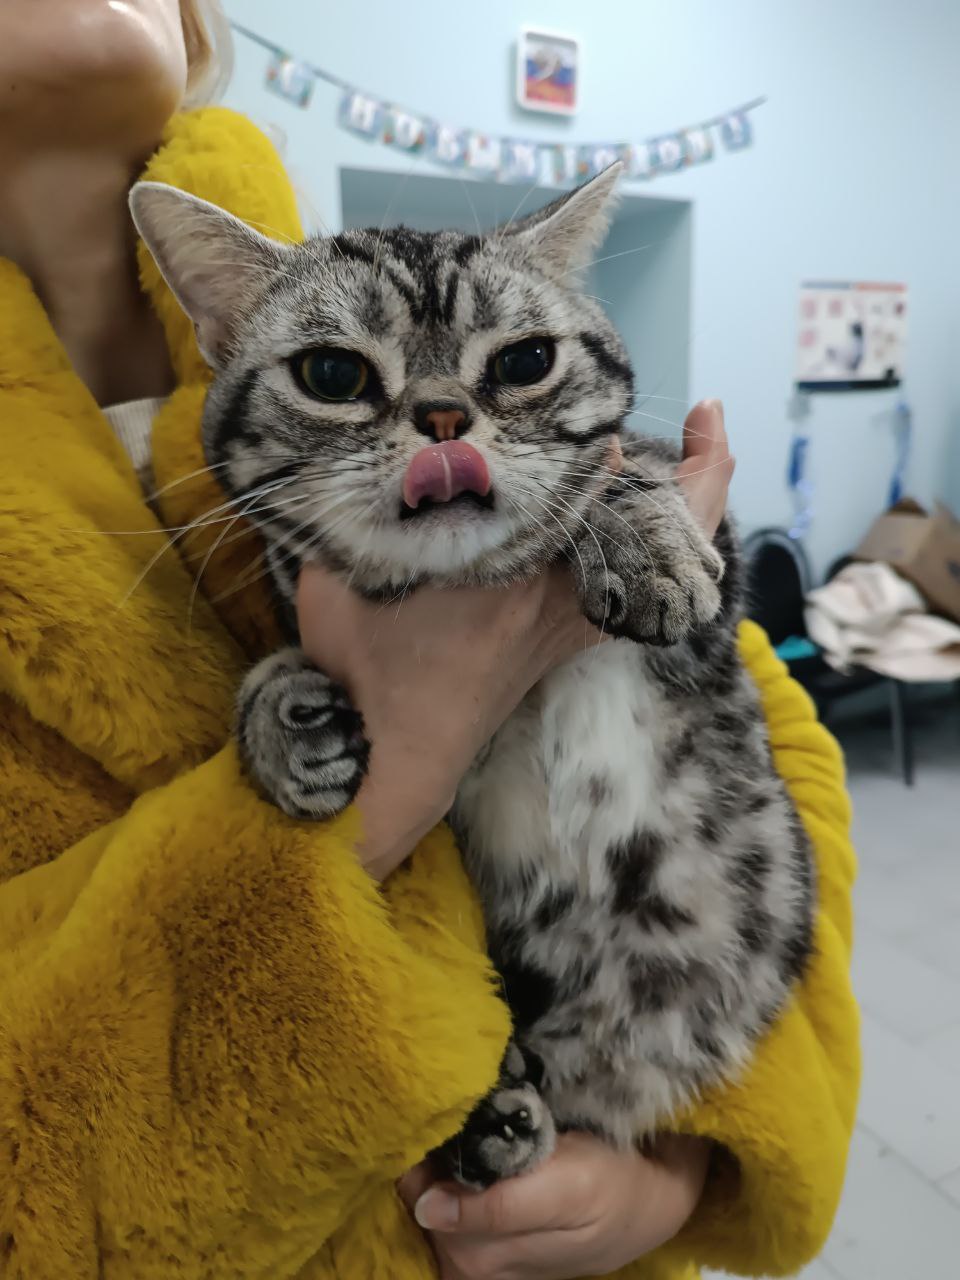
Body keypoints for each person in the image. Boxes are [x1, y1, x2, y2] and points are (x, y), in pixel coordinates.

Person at [0, 3, 859, 1278]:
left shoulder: (314, 279)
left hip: (652, 1055)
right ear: (225, 329)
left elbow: (787, 768)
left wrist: (680, 1169)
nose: (444, 413)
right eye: (340, 378)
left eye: (519, 361)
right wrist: (392, 751)